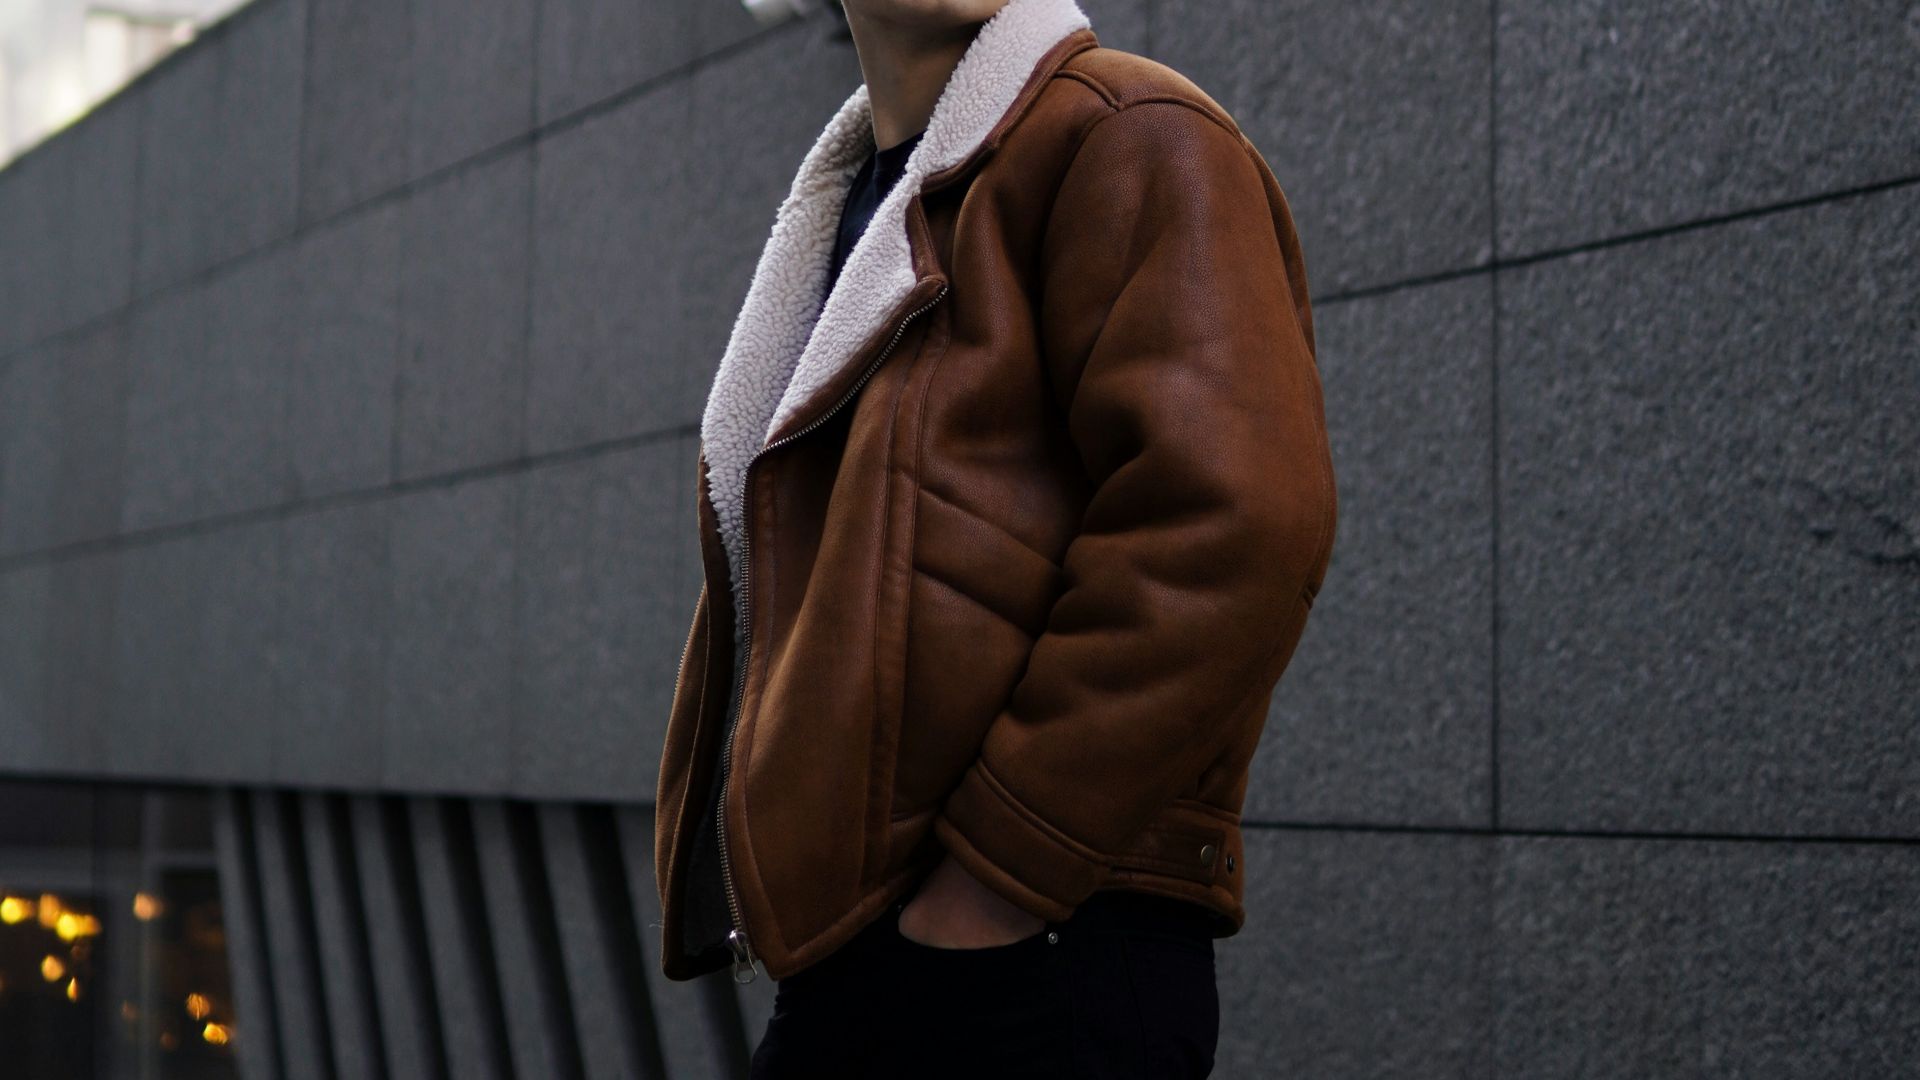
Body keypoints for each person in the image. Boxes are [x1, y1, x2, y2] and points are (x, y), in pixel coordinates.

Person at [653, 0, 1336, 1075]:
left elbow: (1234, 522)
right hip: (869, 952)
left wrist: (992, 882)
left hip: (1036, 942)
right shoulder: (853, 207)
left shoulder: (1129, 129)